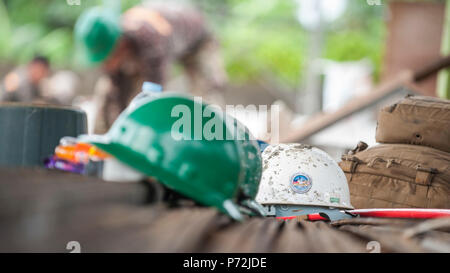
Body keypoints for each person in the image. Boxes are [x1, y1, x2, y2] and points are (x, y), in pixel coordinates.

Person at [75, 2, 228, 133]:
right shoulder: (118, 39)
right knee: (107, 89)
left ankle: (217, 143)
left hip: (198, 42)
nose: (105, 65)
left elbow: (154, 94)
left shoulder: (149, 39)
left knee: (207, 95)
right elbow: (115, 91)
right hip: (162, 41)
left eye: (107, 59)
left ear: (119, 44)